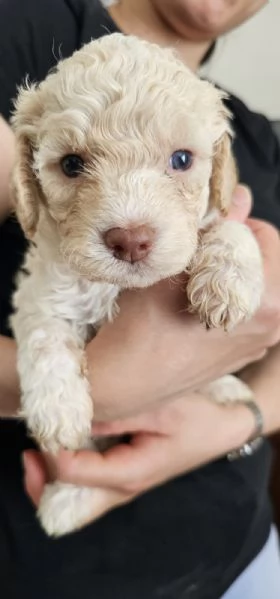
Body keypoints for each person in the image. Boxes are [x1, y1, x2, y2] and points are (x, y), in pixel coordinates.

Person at [1, 0, 280, 597]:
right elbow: (45, 313)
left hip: (245, 551)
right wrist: (100, 386)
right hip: (53, 572)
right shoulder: (22, 30)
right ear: (30, 176)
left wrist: (241, 418)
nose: (130, 225)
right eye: (75, 164)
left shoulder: (254, 134)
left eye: (180, 162)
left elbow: (236, 244)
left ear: (216, 168)